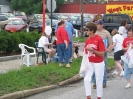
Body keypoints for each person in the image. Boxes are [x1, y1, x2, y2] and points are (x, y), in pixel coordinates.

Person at [84, 22, 105, 99]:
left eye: (87, 30)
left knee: (99, 81)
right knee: (86, 79)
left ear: (92, 30)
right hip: (90, 62)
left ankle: (99, 97)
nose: (86, 31)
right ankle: (88, 97)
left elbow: (102, 54)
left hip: (99, 63)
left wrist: (92, 50)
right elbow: (86, 52)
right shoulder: (88, 40)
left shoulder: (99, 39)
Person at [92, 19, 112, 89]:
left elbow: (110, 44)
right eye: (96, 24)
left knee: (103, 67)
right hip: (95, 52)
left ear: (102, 25)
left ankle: (104, 82)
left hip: (103, 53)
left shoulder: (106, 33)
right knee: (94, 67)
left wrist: (108, 49)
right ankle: (95, 82)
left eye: (98, 24)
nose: (97, 25)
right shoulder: (94, 32)